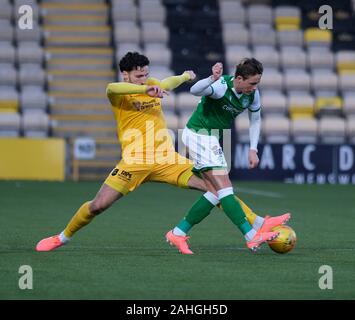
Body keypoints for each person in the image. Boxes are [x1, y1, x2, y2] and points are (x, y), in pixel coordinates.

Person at [36, 52, 289, 252]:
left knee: (216, 189)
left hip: (168, 160)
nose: (145, 80)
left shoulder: (154, 85)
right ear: (126, 75)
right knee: (97, 206)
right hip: (134, 162)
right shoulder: (119, 93)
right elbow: (113, 89)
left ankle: (255, 222)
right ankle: (62, 237)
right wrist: (142, 90)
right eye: (138, 76)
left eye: (146, 75)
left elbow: (167, 83)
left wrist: (184, 76)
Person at [166, 59, 290, 254]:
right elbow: (194, 91)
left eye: (257, 83)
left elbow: (255, 120)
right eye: (252, 83)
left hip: (210, 139)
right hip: (200, 135)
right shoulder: (221, 86)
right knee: (225, 190)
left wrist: (253, 149)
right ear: (239, 79)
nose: (255, 87)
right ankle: (252, 235)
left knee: (215, 192)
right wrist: (211, 78)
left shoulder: (252, 95)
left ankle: (178, 233)